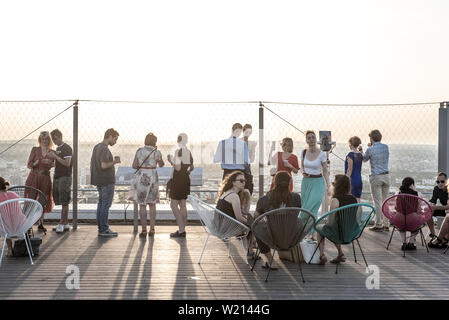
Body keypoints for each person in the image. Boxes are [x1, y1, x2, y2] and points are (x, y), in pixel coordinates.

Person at [253, 171, 302, 269]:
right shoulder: (296, 198)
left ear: (274, 182)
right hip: (291, 237)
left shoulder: (264, 200)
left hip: (272, 238)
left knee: (256, 227)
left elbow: (256, 217)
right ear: (289, 183)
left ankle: (270, 260)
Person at [317, 175, 358, 265]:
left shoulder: (335, 200)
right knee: (337, 228)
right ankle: (340, 254)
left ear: (337, 186)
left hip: (339, 234)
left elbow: (330, 223)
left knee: (320, 229)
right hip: (352, 233)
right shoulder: (354, 199)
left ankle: (322, 255)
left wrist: (323, 222)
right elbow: (358, 218)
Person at [131, 133, 164, 237]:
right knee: (152, 204)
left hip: (142, 178)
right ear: (155, 142)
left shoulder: (139, 151)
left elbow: (134, 165)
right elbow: (161, 165)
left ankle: (144, 230)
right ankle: (152, 229)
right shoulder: (156, 152)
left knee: (142, 204)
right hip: (153, 178)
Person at [90, 128, 120, 237]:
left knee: (101, 204)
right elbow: (103, 165)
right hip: (106, 181)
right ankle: (104, 229)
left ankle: (101, 228)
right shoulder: (104, 149)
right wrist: (115, 162)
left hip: (99, 181)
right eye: (115, 139)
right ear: (110, 136)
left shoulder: (97, 147)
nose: (115, 142)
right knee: (105, 205)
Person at [359, 129, 390, 232]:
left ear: (371, 138)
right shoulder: (386, 147)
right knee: (385, 201)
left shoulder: (370, 149)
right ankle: (386, 224)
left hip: (376, 176)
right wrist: (371, 146)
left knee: (377, 202)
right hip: (386, 176)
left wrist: (362, 151)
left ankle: (379, 224)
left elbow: (364, 159)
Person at [25, 131, 55, 233]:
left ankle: (40, 223)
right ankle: (28, 225)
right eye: (43, 139)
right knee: (31, 201)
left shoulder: (52, 152)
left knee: (42, 201)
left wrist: (50, 163)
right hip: (34, 177)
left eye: (46, 139)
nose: (45, 141)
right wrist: (38, 162)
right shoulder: (35, 149)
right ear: (40, 140)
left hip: (45, 177)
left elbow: (54, 164)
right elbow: (29, 164)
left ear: (49, 140)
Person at [215, 171, 252, 250]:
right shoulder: (233, 196)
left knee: (250, 220)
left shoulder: (228, 193)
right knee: (254, 224)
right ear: (233, 182)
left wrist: (248, 198)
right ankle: (250, 250)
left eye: (245, 181)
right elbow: (239, 218)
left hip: (220, 226)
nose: (244, 183)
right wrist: (252, 222)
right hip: (226, 228)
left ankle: (251, 247)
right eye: (241, 181)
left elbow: (245, 212)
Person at [167, 133, 194, 238]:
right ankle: (183, 229)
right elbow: (192, 167)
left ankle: (181, 230)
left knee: (173, 205)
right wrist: (186, 172)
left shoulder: (178, 152)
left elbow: (177, 168)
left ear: (178, 141)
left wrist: (170, 161)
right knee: (183, 205)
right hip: (185, 179)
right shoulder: (188, 152)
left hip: (178, 181)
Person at [300, 131, 330, 222]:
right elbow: (301, 166)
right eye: (309, 138)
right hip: (306, 182)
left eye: (313, 137)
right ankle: (307, 233)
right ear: (306, 140)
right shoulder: (303, 152)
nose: (311, 139)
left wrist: (328, 185)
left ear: (316, 139)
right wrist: (303, 172)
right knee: (305, 207)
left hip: (318, 182)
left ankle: (310, 232)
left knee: (313, 207)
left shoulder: (322, 154)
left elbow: (325, 171)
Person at [48, 129, 72, 233]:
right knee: (61, 201)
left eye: (55, 138)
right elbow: (58, 161)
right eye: (52, 139)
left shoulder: (67, 148)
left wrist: (55, 156)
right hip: (58, 176)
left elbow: (67, 163)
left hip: (64, 177)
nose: (54, 141)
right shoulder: (57, 148)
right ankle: (65, 223)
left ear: (60, 136)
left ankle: (61, 223)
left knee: (64, 201)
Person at [394, 177, 424, 251]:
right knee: (418, 223)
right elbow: (419, 210)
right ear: (412, 185)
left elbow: (396, 207)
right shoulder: (418, 195)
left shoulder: (397, 194)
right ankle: (411, 242)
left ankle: (404, 243)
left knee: (401, 225)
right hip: (412, 220)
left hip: (399, 220)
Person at [0, 177, 25, 256]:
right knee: (6, 221)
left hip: (6, 228)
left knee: (4, 223)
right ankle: (10, 250)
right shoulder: (13, 194)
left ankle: (10, 250)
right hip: (20, 225)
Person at [427, 172, 449, 240]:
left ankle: (443, 237)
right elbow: (433, 200)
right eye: (438, 182)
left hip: (448, 210)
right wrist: (430, 204)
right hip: (444, 209)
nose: (440, 183)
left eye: (442, 181)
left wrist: (435, 207)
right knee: (428, 212)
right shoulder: (436, 189)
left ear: (446, 181)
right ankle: (433, 234)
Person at [345, 136, 363, 202]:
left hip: (351, 180)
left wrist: (345, 180)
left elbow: (350, 169)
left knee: (350, 201)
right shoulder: (360, 155)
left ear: (351, 145)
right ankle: (359, 213)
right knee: (358, 201)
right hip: (359, 179)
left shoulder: (350, 154)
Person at [241, 124, 255, 195]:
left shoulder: (252, 143)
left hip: (247, 168)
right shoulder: (238, 141)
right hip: (239, 168)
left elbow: (252, 159)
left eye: (250, 132)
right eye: (246, 132)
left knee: (248, 187)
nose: (248, 134)